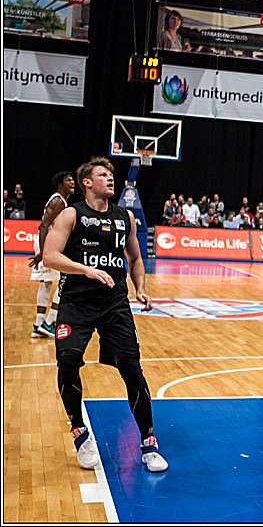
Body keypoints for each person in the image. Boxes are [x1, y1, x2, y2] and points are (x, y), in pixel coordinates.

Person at [41, 157, 168, 473]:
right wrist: (86, 270)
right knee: (68, 361)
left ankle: (148, 441)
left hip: (114, 304)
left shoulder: (125, 217)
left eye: (111, 174)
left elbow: (136, 259)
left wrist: (139, 288)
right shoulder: (72, 215)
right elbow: (50, 255)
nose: (111, 178)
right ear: (87, 182)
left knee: (131, 368)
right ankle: (80, 433)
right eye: (103, 174)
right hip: (76, 303)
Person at [28, 171, 75, 338]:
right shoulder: (57, 201)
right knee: (66, 279)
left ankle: (39, 325)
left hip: (46, 244)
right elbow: (43, 226)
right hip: (47, 244)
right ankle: (49, 323)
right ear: (60, 185)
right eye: (68, 180)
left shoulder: (60, 200)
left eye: (73, 180)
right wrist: (42, 251)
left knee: (46, 283)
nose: (72, 183)